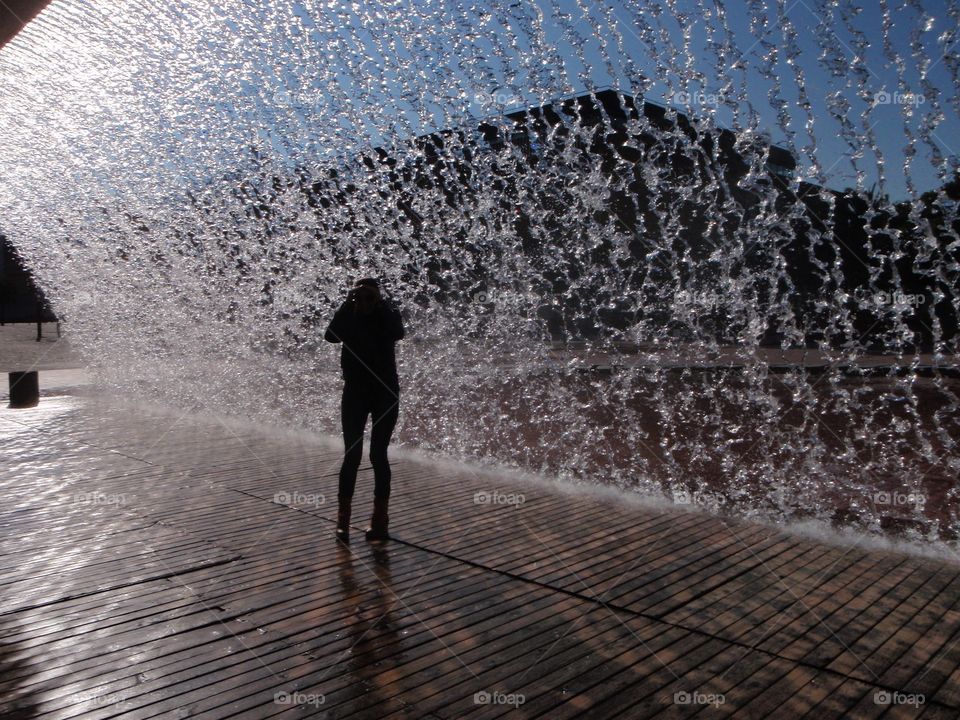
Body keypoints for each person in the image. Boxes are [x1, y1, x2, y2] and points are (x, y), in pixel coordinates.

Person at [324, 278, 404, 543]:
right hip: (355, 393)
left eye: (370, 296)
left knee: (378, 455)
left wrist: (379, 304)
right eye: (360, 296)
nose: (364, 301)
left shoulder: (387, 314)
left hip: (385, 393)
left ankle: (379, 521)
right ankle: (342, 522)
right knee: (352, 455)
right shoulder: (349, 315)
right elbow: (331, 336)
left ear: (379, 296)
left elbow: (397, 332)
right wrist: (348, 303)